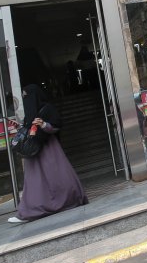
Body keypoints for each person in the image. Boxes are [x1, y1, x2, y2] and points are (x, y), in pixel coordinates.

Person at [9, 84, 88, 223]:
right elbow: (29, 129)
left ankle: (70, 199)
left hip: (48, 148)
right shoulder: (31, 112)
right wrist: (20, 126)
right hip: (34, 152)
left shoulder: (47, 108)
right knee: (34, 182)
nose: (25, 98)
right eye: (23, 96)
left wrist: (44, 125)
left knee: (56, 176)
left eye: (27, 95)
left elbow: (56, 125)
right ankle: (29, 210)